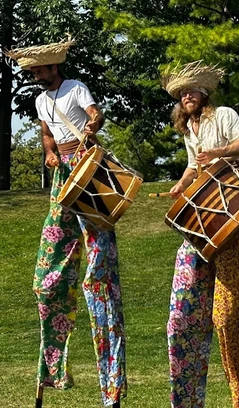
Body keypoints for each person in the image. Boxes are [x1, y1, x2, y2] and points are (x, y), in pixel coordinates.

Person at [5, 39, 126, 408]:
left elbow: (96, 114)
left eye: (39, 71)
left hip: (88, 169)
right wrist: (48, 152)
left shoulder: (75, 88)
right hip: (63, 177)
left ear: (54, 68)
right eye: (33, 72)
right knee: (50, 263)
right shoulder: (41, 100)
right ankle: (54, 367)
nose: (36, 76)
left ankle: (112, 386)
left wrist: (91, 127)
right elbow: (46, 133)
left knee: (97, 254)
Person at [161, 61, 239, 408]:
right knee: (181, 314)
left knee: (229, 317)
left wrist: (216, 153)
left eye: (192, 90)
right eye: (181, 93)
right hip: (200, 219)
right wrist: (180, 185)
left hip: (230, 216)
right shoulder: (188, 128)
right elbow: (192, 165)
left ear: (204, 93)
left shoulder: (224, 115)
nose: (187, 96)